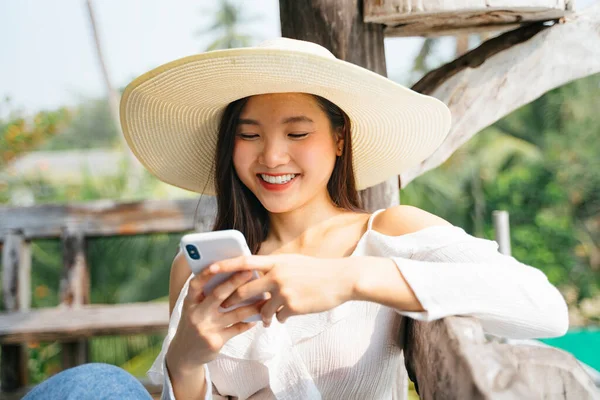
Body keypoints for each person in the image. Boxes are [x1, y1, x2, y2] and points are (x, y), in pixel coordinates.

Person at [25, 38, 569, 400]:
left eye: (297, 132)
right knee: (94, 383)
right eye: (249, 134)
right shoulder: (201, 269)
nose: (272, 157)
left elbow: (544, 309)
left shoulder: (387, 231)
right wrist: (186, 362)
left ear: (338, 139)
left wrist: (348, 278)